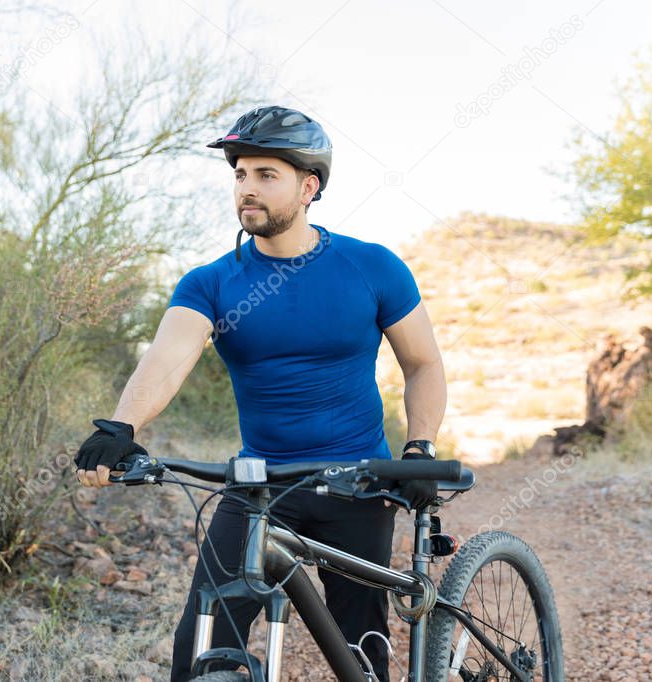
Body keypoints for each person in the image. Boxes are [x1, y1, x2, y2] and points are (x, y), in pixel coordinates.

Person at [75, 105, 447, 681]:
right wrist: (123, 426)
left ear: (308, 187)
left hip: (358, 484)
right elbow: (168, 358)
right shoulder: (212, 282)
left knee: (361, 655)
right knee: (201, 645)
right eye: (240, 175)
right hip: (259, 487)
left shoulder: (372, 267)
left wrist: (418, 449)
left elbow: (423, 364)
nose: (247, 189)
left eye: (265, 175)